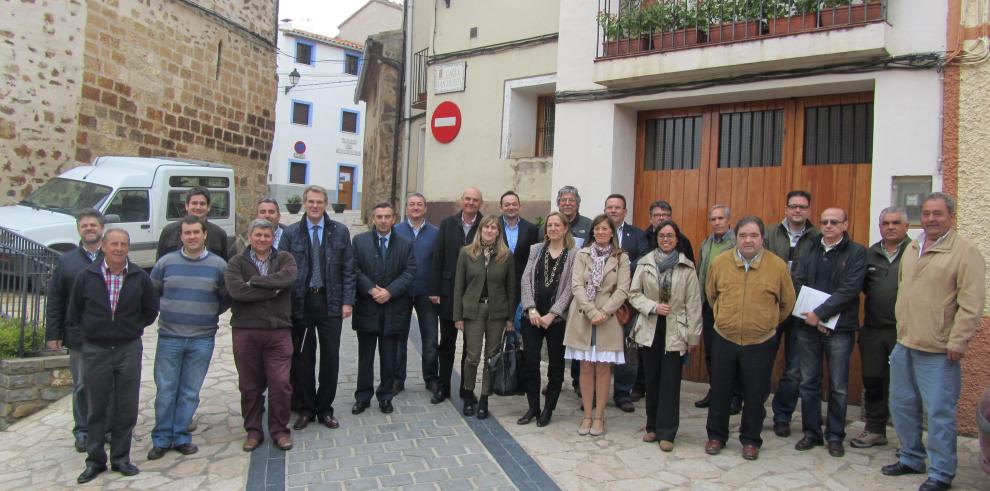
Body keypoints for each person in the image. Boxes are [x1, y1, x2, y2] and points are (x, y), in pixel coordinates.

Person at [882, 193, 986, 491]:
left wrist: (959, 340)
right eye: (926, 213)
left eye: (937, 214)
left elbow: (971, 303)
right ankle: (912, 456)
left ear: (951, 216)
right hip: (906, 343)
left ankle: (941, 472)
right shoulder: (913, 247)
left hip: (939, 349)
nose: (930, 219)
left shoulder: (965, 253)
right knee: (901, 405)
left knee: (939, 413)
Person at [69, 229, 159, 484]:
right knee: (96, 407)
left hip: (128, 348)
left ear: (128, 248)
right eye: (114, 244)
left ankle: (120, 457)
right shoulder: (86, 277)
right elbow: (74, 312)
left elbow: (151, 310)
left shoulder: (140, 277)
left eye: (123, 244)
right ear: (104, 247)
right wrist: (89, 336)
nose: (119, 248)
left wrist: (131, 328)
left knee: (126, 406)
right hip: (96, 349)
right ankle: (95, 460)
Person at [704, 216, 795, 461]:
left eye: (753, 236)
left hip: (760, 341)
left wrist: (766, 321)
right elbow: (712, 295)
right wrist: (725, 317)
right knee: (721, 390)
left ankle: (751, 439)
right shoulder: (720, 263)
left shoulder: (777, 266)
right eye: (743, 235)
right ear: (737, 237)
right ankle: (716, 436)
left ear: (762, 239)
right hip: (725, 336)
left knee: (755, 394)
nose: (748, 240)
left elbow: (787, 302)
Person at [146, 215, 229, 460]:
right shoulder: (165, 263)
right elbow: (153, 293)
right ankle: (161, 438)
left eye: (196, 232)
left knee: (190, 391)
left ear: (205, 235)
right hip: (170, 336)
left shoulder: (218, 266)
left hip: (202, 337)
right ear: (181, 236)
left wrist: (209, 313)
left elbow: (225, 297)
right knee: (166, 389)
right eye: (187, 233)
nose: (192, 236)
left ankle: (181, 436)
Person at [791, 207, 867, 458]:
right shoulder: (809, 247)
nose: (829, 225)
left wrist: (821, 315)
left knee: (838, 386)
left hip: (840, 330)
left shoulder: (856, 253)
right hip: (808, 327)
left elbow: (849, 289)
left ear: (845, 224)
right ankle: (811, 432)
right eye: (824, 221)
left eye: (835, 221)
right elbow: (797, 280)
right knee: (809, 382)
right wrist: (813, 318)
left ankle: (835, 435)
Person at [281, 184, 355, 431]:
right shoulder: (291, 233)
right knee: (303, 358)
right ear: (304, 203)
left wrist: (347, 301)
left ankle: (325, 409)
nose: (314, 206)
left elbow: (348, 269)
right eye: (310, 201)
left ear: (326, 204)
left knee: (330, 357)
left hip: (330, 301)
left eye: (319, 202)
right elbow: (283, 270)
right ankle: (307, 409)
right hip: (301, 303)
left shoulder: (339, 231)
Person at [225, 218, 298, 452]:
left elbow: (288, 279)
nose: (262, 239)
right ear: (250, 236)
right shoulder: (236, 262)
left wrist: (255, 282)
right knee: (249, 386)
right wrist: (273, 289)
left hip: (278, 331)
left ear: (273, 237)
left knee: (280, 383)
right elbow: (237, 291)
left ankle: (279, 431)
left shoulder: (285, 258)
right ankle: (254, 431)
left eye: (267, 235)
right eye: (258, 235)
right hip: (246, 331)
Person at [629, 220, 702, 452]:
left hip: (676, 329)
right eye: (662, 236)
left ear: (677, 239)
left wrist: (693, 337)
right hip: (650, 328)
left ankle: (667, 431)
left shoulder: (687, 266)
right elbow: (633, 294)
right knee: (652, 379)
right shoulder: (645, 263)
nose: (666, 240)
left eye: (670, 236)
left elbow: (693, 304)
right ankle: (652, 426)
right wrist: (652, 306)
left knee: (670, 382)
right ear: (656, 239)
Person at [563, 214, 631, 437]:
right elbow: (576, 285)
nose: (601, 232)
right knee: (584, 367)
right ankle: (587, 416)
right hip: (583, 316)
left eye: (605, 229)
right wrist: (592, 311)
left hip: (607, 319)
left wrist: (604, 312)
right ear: (592, 232)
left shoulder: (621, 258)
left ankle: (600, 417)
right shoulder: (582, 254)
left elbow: (622, 289)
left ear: (612, 232)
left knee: (602, 368)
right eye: (597, 229)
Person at [45, 208, 105, 453]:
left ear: (102, 228)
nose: (89, 228)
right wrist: (53, 333)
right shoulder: (67, 261)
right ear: (79, 230)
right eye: (85, 226)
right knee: (81, 385)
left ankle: (106, 429)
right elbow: (56, 298)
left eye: (93, 225)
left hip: (107, 335)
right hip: (78, 336)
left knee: (106, 385)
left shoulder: (113, 256)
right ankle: (82, 430)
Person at [850, 207, 911, 449]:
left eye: (896, 222)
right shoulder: (870, 254)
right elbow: (861, 288)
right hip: (874, 330)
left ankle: (909, 441)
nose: (891, 227)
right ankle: (875, 430)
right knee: (874, 383)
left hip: (904, 331)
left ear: (906, 226)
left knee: (905, 388)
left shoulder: (916, 252)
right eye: (885, 223)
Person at [351, 203, 416, 415]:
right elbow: (354, 269)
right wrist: (371, 289)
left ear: (394, 218)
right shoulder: (359, 242)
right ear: (373, 218)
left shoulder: (405, 244)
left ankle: (386, 396)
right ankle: (363, 396)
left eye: (387, 216)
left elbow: (409, 271)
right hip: (367, 307)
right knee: (365, 356)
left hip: (393, 308)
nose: (383, 220)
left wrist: (389, 291)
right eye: (379, 216)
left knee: (389, 356)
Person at [517, 212, 577, 427]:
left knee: (555, 366)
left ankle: (549, 409)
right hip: (532, 317)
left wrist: (553, 314)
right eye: (549, 225)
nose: (552, 228)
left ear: (565, 229)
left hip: (556, 320)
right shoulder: (536, 250)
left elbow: (570, 288)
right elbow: (525, 280)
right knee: (530, 362)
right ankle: (533, 407)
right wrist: (531, 308)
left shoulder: (573, 255)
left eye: (556, 225)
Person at [768, 190, 821, 437]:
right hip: (771, 306)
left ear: (809, 210)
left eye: (802, 207)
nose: (797, 210)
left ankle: (782, 415)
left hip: (802, 310)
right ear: (786, 209)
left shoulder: (817, 237)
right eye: (793, 206)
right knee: (762, 361)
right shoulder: (770, 233)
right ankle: (755, 412)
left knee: (795, 368)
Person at [452, 215, 515, 419]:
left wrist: (510, 318)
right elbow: (458, 287)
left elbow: (511, 288)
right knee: (472, 356)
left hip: (497, 312)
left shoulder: (506, 256)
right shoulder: (467, 253)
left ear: (498, 232)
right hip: (473, 311)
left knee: (491, 357)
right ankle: (469, 394)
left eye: (493, 228)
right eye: (486, 227)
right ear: (480, 230)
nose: (489, 231)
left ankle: (485, 398)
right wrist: (458, 316)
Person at [429, 187, 483, 404]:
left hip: (474, 295)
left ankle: (466, 389)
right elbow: (438, 256)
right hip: (448, 292)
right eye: (467, 199)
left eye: (475, 200)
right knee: (447, 344)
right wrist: (434, 289)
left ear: (481, 203)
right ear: (461, 200)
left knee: (471, 347)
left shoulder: (486, 225)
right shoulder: (447, 223)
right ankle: (443, 387)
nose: (470, 203)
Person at [603, 194, 649, 413]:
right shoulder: (599, 233)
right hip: (601, 301)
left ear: (625, 211)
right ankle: (596, 392)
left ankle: (623, 393)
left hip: (628, 303)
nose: (613, 211)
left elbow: (642, 262)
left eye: (618, 207)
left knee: (628, 350)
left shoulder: (638, 235)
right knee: (599, 348)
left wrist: (622, 267)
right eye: (610, 207)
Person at [393, 193, 440, 394]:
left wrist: (436, 290)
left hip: (426, 293)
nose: (415, 207)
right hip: (401, 293)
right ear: (406, 208)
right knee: (399, 339)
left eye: (419, 204)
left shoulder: (436, 233)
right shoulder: (396, 231)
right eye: (411, 204)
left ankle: (431, 378)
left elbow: (439, 263)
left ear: (425, 208)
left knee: (429, 339)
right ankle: (397, 379)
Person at [694, 204, 736, 410]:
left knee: (731, 353)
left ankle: (735, 396)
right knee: (711, 352)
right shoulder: (706, 243)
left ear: (729, 220)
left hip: (730, 307)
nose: (717, 222)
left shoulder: (738, 243)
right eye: (713, 219)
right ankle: (715, 391)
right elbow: (700, 271)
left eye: (721, 218)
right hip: (708, 306)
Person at [554, 185, 593, 396]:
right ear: (558, 203)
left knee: (579, 337)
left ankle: (579, 381)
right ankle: (556, 380)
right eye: (563, 200)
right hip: (556, 290)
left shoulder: (588, 226)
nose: (567, 203)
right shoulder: (553, 223)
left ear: (578, 203)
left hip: (579, 291)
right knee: (557, 339)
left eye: (571, 200)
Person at [499, 190, 540, 347]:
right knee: (498, 333)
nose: (511, 207)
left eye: (514, 204)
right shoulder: (493, 226)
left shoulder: (531, 229)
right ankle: (499, 367)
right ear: (501, 207)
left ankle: (516, 365)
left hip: (522, 286)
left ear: (520, 206)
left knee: (517, 327)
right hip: (499, 286)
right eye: (507, 204)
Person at [156, 185, 229, 261]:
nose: (198, 207)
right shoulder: (169, 231)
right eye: (194, 203)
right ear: (186, 206)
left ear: (209, 207)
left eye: (202, 204)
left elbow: (223, 266)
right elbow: (159, 263)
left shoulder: (219, 234)